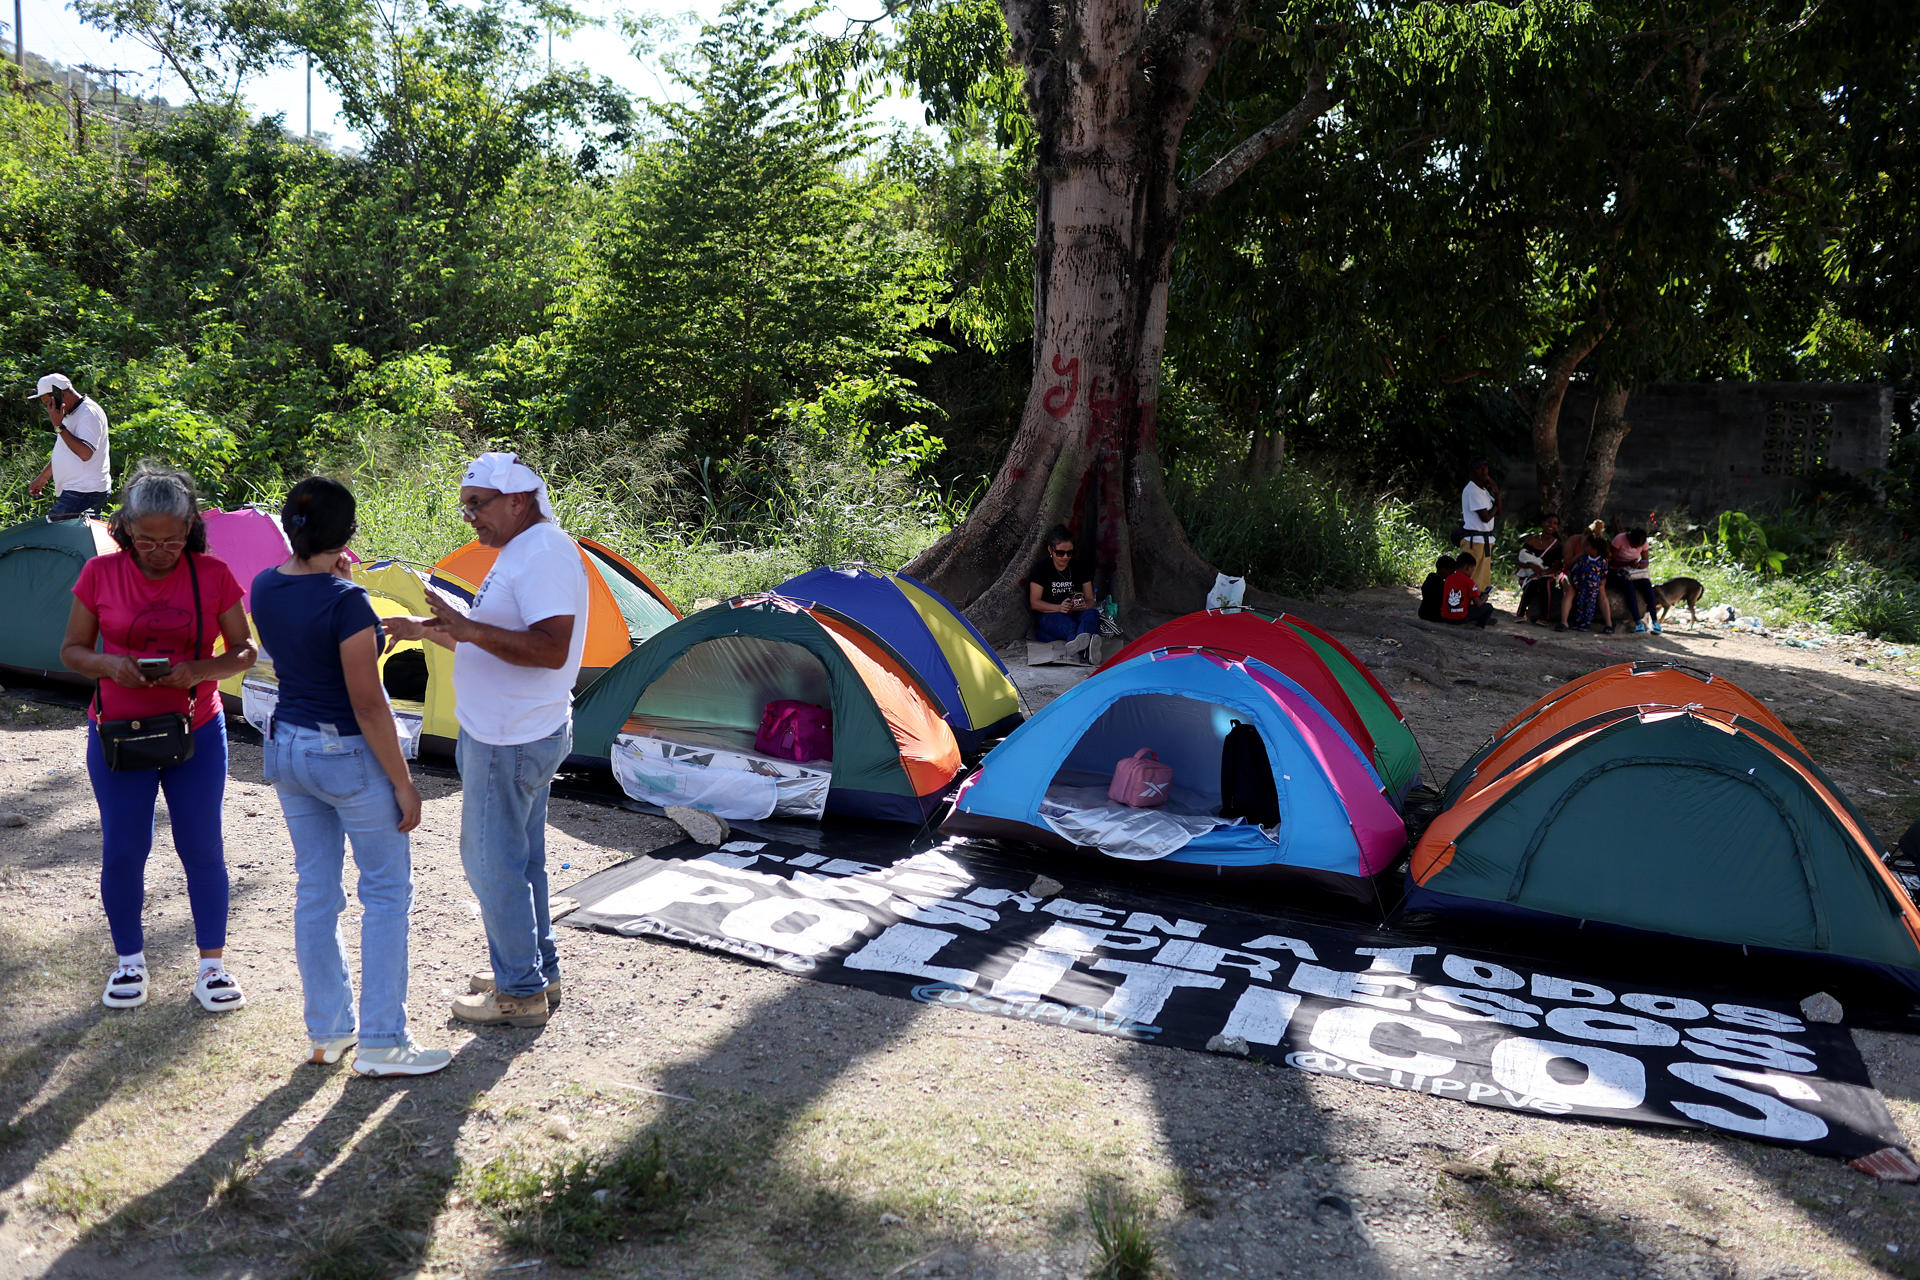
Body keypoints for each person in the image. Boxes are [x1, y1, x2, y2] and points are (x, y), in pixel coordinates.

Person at [250, 478, 448, 1076]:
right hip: (344, 754)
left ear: (290, 528)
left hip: (286, 746)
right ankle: (385, 1040)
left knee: (317, 892)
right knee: (385, 895)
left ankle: (328, 1034)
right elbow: (368, 704)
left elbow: (305, 649)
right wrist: (404, 783)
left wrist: (347, 593)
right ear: (348, 536)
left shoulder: (264, 584)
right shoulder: (346, 602)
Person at [385, 452, 587, 1028]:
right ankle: (533, 970)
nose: (469, 516)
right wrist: (432, 629)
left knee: (489, 861)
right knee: (521, 860)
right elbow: (498, 641)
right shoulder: (523, 551)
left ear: (519, 499)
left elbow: (549, 650)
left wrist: (466, 626)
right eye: (465, 505)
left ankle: (519, 992)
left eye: (479, 504)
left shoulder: (541, 553)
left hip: (510, 735)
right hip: (513, 728)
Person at [59, 462, 257, 1011]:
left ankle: (212, 967)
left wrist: (197, 670)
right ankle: (129, 962)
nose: (158, 551)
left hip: (195, 728)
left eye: (172, 540)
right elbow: (71, 651)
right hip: (117, 732)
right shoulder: (100, 574)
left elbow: (244, 652)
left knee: (201, 846)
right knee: (124, 849)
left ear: (190, 527)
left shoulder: (212, 573)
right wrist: (108, 664)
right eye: (145, 540)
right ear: (124, 528)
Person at [26, 373, 112, 519]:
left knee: (55, 533)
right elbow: (67, 450)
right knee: (77, 539)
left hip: (86, 491)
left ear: (60, 395)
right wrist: (43, 477)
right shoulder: (68, 414)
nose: (48, 408)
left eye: (49, 402)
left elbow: (85, 453)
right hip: (78, 490)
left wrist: (59, 426)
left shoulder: (88, 414)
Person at [1027, 525, 1102, 663]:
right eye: (1060, 553)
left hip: (1077, 612)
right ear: (1051, 550)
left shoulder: (1080, 567)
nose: (1065, 557)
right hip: (1051, 614)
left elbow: (1091, 599)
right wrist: (1059, 608)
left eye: (1070, 553)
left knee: (1092, 614)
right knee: (1069, 626)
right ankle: (1087, 648)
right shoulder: (1041, 569)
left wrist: (1083, 605)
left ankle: (1080, 645)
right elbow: (1035, 603)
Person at [1556, 531, 1615, 634]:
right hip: (1582, 586)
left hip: (1594, 588)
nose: (1585, 547)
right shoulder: (1583, 557)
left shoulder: (1602, 561)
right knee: (1580, 603)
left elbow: (1604, 572)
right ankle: (1572, 622)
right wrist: (1576, 581)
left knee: (1590, 605)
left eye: (1588, 545)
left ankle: (1589, 623)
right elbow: (1576, 569)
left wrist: (1601, 581)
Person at [1458, 457, 1500, 594]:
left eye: (1485, 467)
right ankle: (1467, 605)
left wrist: (1497, 493)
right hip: (1474, 541)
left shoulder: (1484, 491)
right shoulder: (1471, 490)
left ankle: (1479, 603)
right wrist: (1496, 505)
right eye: (1479, 468)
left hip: (1485, 540)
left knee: (1482, 577)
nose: (1483, 470)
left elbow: (1498, 512)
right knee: (1471, 576)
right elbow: (1486, 518)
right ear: (1472, 471)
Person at [1610, 527, 1660, 634]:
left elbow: (1646, 561)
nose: (1635, 548)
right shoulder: (1619, 540)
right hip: (1617, 572)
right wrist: (1626, 564)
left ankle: (1655, 621)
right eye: (1634, 545)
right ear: (1630, 539)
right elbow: (1610, 561)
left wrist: (1640, 565)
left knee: (1647, 584)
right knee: (1629, 587)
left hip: (1633, 572)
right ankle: (1638, 622)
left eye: (1638, 547)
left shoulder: (1644, 543)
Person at [1440, 553, 1495, 627]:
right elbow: (1478, 604)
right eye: (1473, 569)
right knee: (1488, 607)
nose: (1472, 572)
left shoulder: (1448, 578)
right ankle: (1479, 627)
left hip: (1445, 617)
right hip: (1460, 618)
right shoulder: (1469, 582)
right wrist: (1484, 597)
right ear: (1467, 567)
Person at [1419, 554, 1455, 622]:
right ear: (1443, 570)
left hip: (1423, 613)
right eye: (1451, 571)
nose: (1452, 574)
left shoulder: (1430, 578)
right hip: (1435, 616)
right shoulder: (1439, 584)